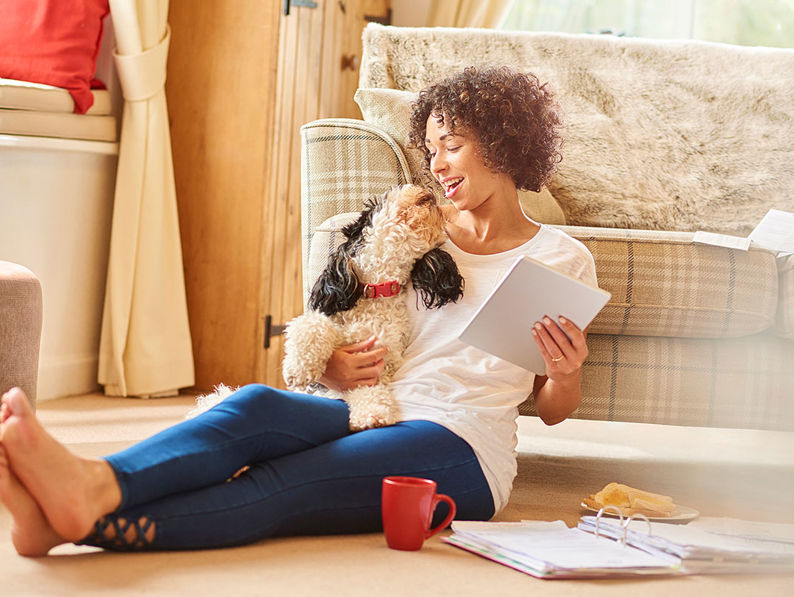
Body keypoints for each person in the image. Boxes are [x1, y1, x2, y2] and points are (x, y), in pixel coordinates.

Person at [0, 66, 597, 556]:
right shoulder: (419, 231)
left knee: (288, 484)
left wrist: (566, 374)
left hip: (462, 443)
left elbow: (551, 408)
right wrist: (332, 364)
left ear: (503, 144)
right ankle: (88, 487)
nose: (437, 164)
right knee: (253, 405)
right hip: (373, 406)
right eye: (431, 147)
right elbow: (362, 314)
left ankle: (83, 519)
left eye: (454, 145)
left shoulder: (559, 258)